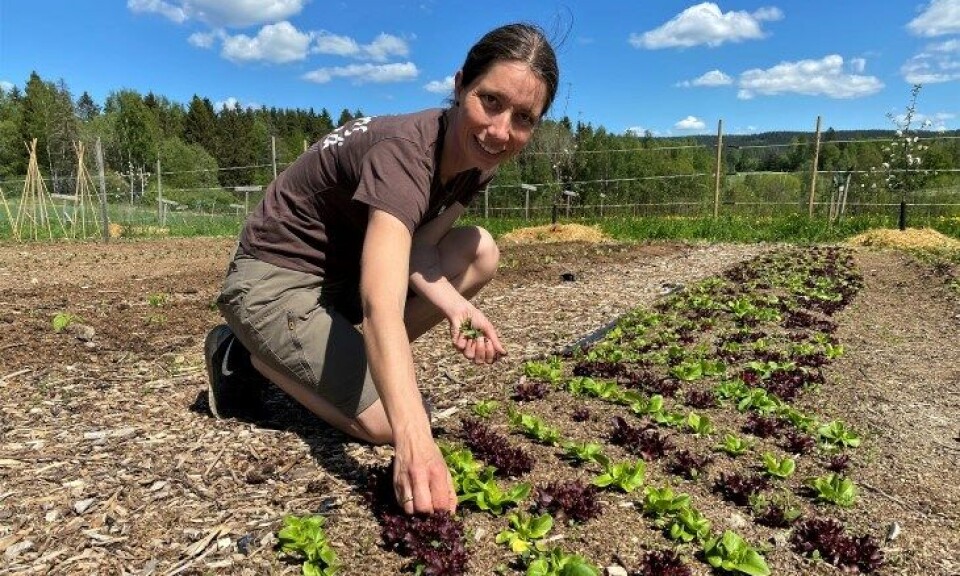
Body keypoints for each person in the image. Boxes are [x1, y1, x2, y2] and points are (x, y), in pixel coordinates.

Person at [204, 22, 559, 515]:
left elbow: (418, 251)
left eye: (524, 118)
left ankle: (342, 362)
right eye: (490, 101)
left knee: (480, 252)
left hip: (342, 274)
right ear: (460, 86)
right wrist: (414, 440)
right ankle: (246, 356)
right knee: (389, 424)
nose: (501, 131)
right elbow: (380, 302)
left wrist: (456, 306)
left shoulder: (479, 162)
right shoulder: (406, 152)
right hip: (275, 278)